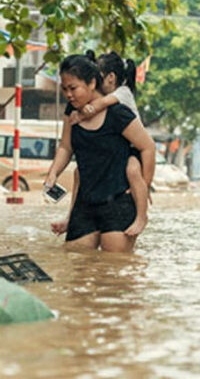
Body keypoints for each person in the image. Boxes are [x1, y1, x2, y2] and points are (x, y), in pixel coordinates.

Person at [46, 54, 155, 253]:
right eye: (64, 89)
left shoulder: (118, 113)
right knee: (75, 264)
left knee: (113, 270)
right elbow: (65, 146)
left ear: (92, 83)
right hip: (85, 204)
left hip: (118, 203)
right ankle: (70, 220)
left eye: (73, 88)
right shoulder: (72, 113)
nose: (68, 95)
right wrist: (53, 173)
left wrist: (144, 185)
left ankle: (141, 217)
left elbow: (148, 147)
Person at [68, 50, 150, 237]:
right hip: (119, 151)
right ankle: (70, 216)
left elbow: (100, 104)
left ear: (111, 78)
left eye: (97, 76)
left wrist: (81, 113)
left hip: (132, 150)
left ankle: (142, 216)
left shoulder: (122, 92)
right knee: (78, 171)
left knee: (132, 169)